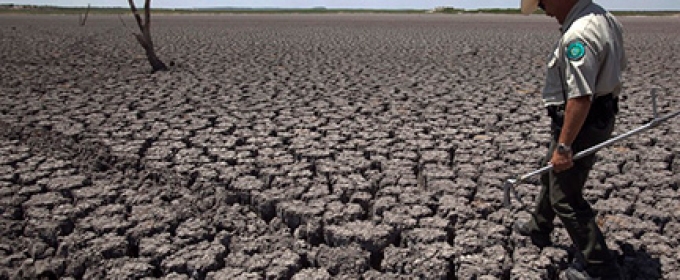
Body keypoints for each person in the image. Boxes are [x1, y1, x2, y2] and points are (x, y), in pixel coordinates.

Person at [515, 0, 627, 279]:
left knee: (565, 196)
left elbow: (580, 96)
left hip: (582, 122)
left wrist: (564, 146)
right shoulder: (603, 17)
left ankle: (601, 267)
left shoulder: (580, 34)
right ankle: (539, 226)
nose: (545, 10)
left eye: (542, 2)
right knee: (549, 170)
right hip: (591, 117)